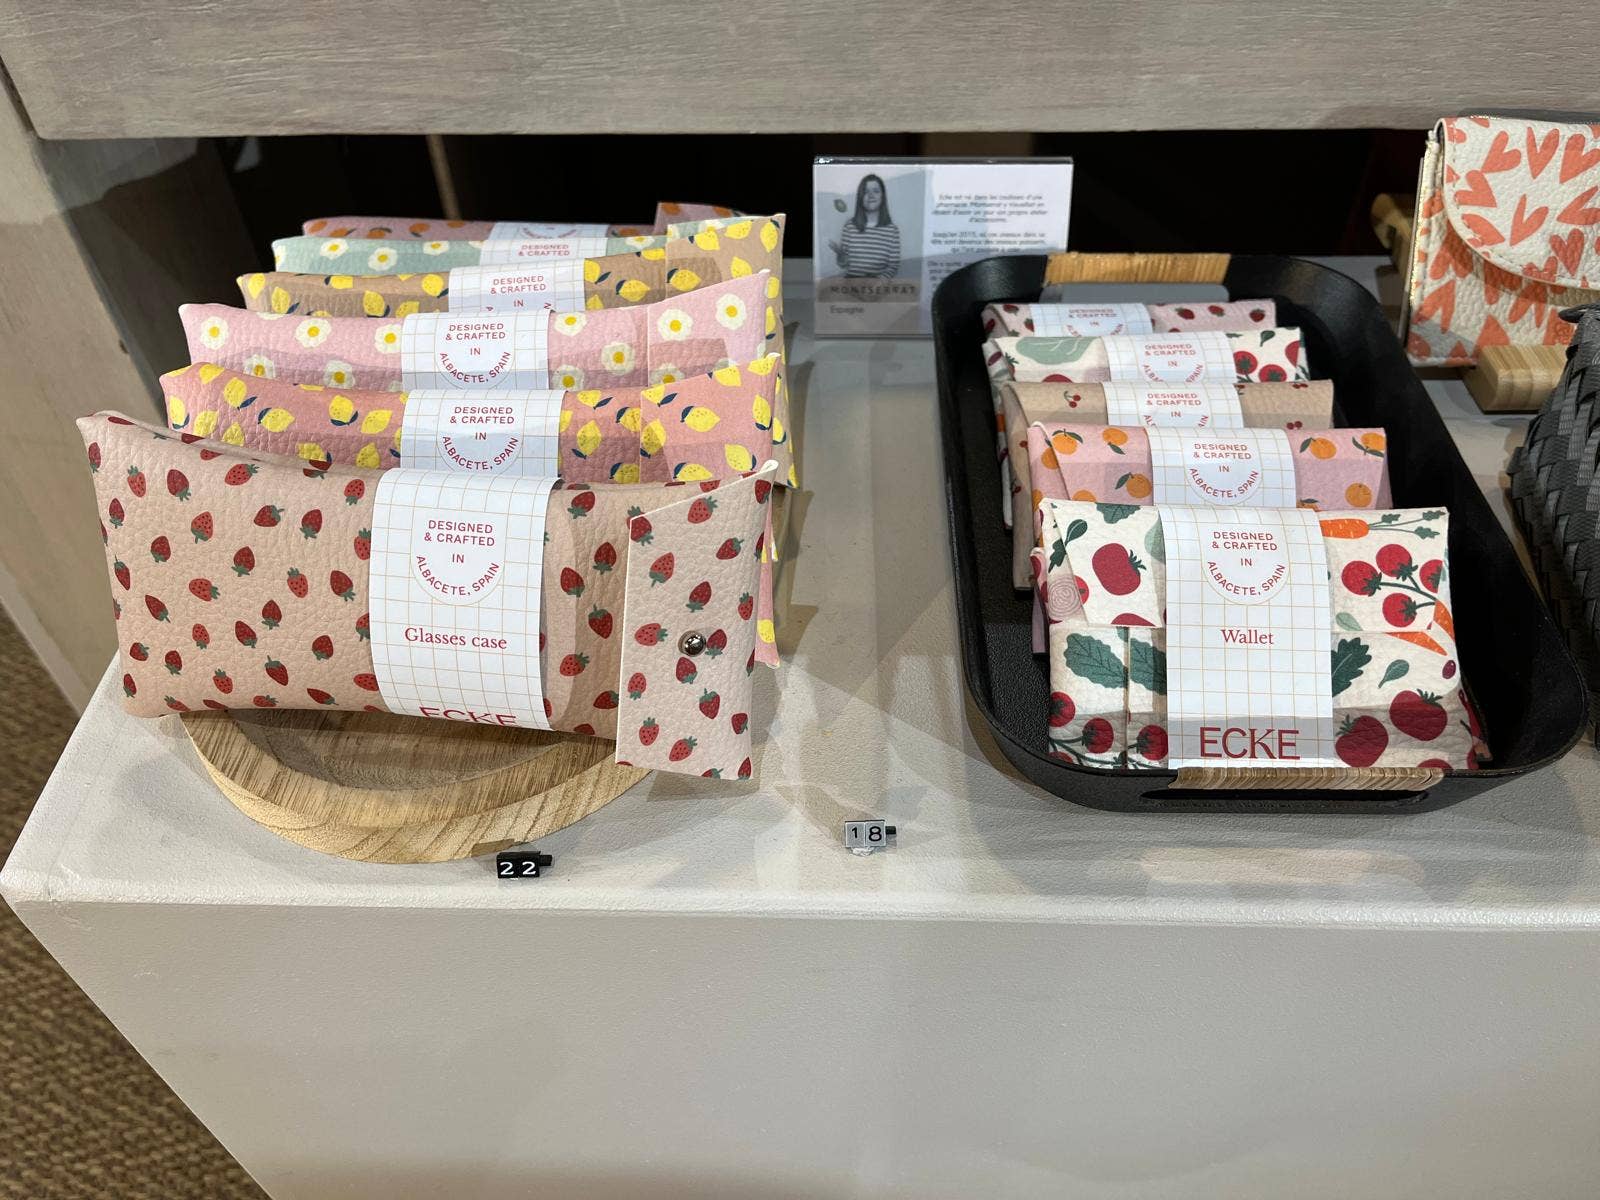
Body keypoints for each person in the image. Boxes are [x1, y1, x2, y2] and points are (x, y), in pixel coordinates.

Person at [829, 174, 901, 278]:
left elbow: (893, 266)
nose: (871, 195)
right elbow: (843, 265)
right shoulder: (849, 227)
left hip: (878, 286)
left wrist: (879, 281)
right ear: (860, 197)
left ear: (883, 196)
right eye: (866, 192)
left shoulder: (892, 231)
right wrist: (840, 256)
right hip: (851, 284)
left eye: (876, 191)